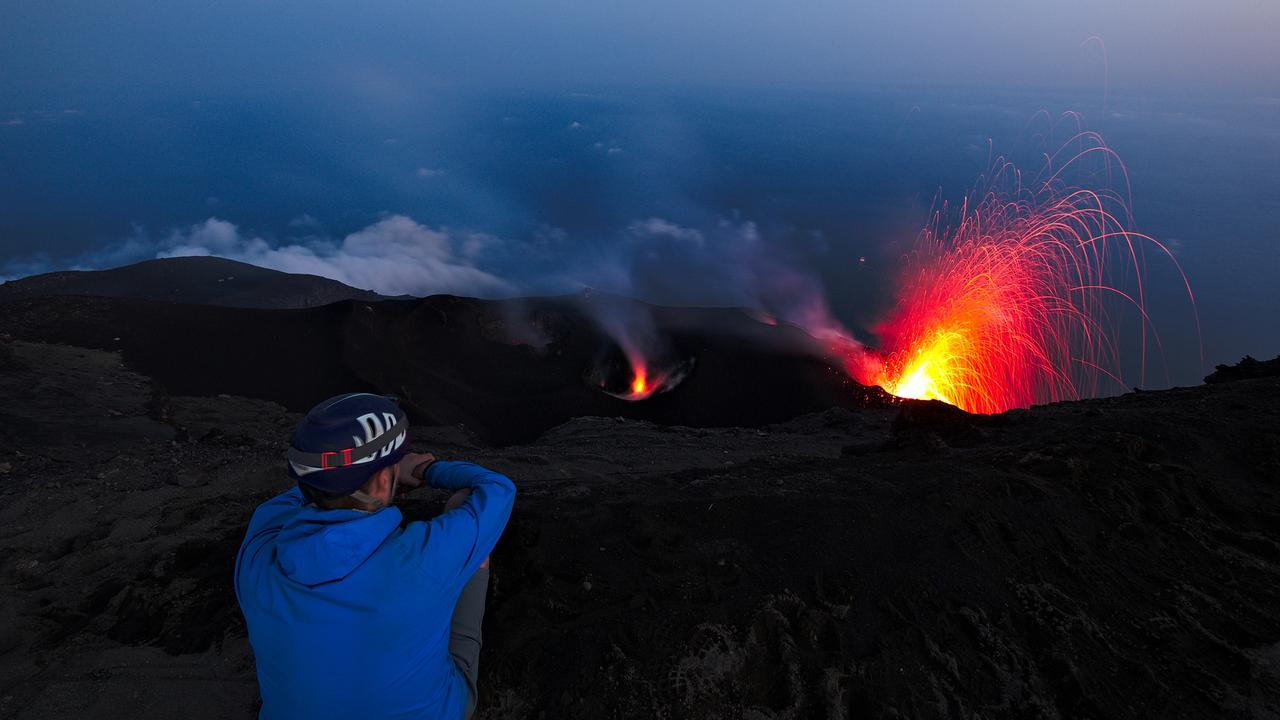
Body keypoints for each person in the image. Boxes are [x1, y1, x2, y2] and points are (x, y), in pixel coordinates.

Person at [234, 393, 516, 720]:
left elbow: (292, 497)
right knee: (470, 527)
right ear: (384, 480)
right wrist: (427, 469)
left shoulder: (258, 554)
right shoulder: (422, 556)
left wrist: (349, 480)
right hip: (437, 711)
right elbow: (496, 489)